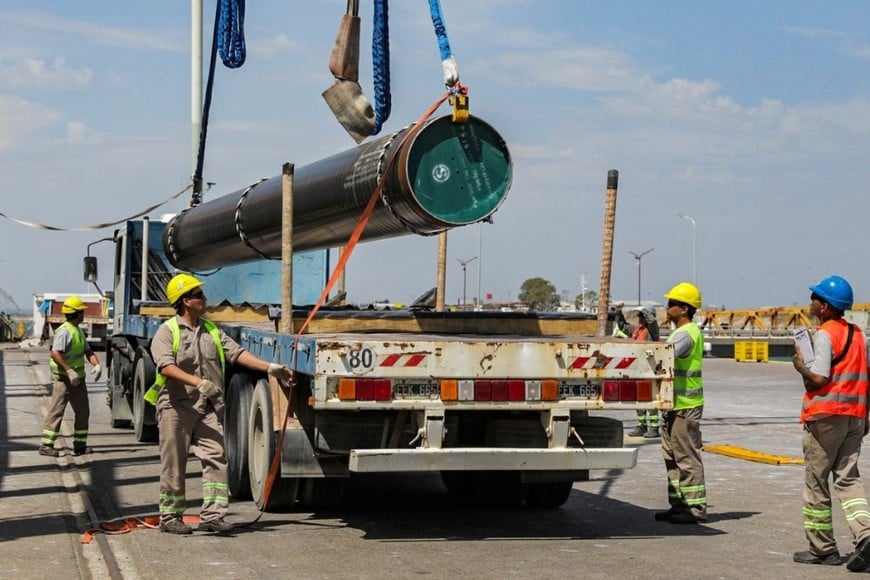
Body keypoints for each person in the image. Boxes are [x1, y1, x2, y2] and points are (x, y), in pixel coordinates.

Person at [149, 273, 294, 535]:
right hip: (176, 407)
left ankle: (213, 516)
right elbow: (166, 366)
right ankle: (170, 517)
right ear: (184, 302)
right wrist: (197, 382)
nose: (204, 299)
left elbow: (237, 354)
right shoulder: (167, 331)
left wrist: (270, 368)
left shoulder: (211, 329)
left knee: (217, 457)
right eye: (198, 296)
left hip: (206, 408)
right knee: (174, 462)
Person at [791, 275, 870, 569]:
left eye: (815, 297)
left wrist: (800, 365)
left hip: (826, 418)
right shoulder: (859, 334)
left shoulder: (825, 334)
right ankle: (865, 536)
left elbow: (819, 378)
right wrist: (866, 416)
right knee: (848, 479)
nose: (810, 301)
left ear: (824, 306)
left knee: (816, 482)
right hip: (856, 416)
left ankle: (823, 549)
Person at [654, 282, 706, 524]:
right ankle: (678, 505)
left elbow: (664, 357)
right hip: (673, 406)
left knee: (686, 459)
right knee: (672, 458)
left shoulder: (687, 334)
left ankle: (694, 510)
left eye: (672, 303)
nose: (668, 307)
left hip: (685, 406)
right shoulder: (678, 333)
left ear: (684, 309)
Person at [39, 296, 102, 457]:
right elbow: (55, 353)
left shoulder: (78, 331)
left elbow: (88, 351)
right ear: (76, 314)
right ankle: (46, 445)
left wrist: (97, 364)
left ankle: (80, 445)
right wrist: (69, 371)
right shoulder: (65, 331)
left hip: (77, 380)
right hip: (63, 379)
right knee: (57, 411)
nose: (83, 314)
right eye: (82, 311)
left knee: (83, 412)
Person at [616, 305, 662, 438]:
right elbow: (623, 327)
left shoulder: (652, 330)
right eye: (639, 316)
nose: (640, 319)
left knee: (649, 399)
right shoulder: (637, 330)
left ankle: (654, 428)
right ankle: (641, 425)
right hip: (636, 369)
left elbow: (652, 321)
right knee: (638, 399)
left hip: (649, 370)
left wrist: (645, 311)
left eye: (642, 316)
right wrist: (619, 313)